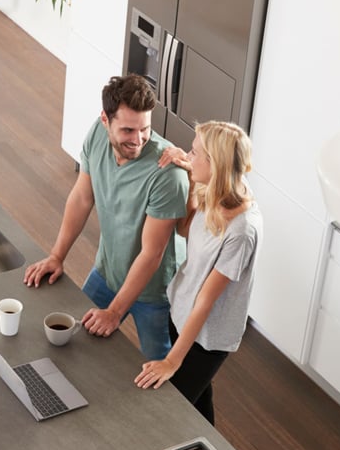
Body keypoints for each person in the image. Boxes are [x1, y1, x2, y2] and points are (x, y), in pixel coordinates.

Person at [23, 74, 189, 360]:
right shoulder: (97, 136)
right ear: (105, 120)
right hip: (108, 270)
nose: (138, 140)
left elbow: (152, 254)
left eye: (145, 129)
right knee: (72, 341)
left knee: (157, 371)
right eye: (128, 130)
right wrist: (57, 256)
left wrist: (114, 312)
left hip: (155, 292)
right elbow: (82, 197)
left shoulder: (168, 174)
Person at [134, 121, 263, 426]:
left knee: (171, 412)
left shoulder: (242, 230)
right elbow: (185, 230)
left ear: (215, 164)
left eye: (194, 153)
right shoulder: (217, 189)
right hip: (181, 311)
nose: (188, 155)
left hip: (208, 337)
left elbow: (206, 301)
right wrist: (192, 181)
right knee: (197, 402)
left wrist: (171, 361)